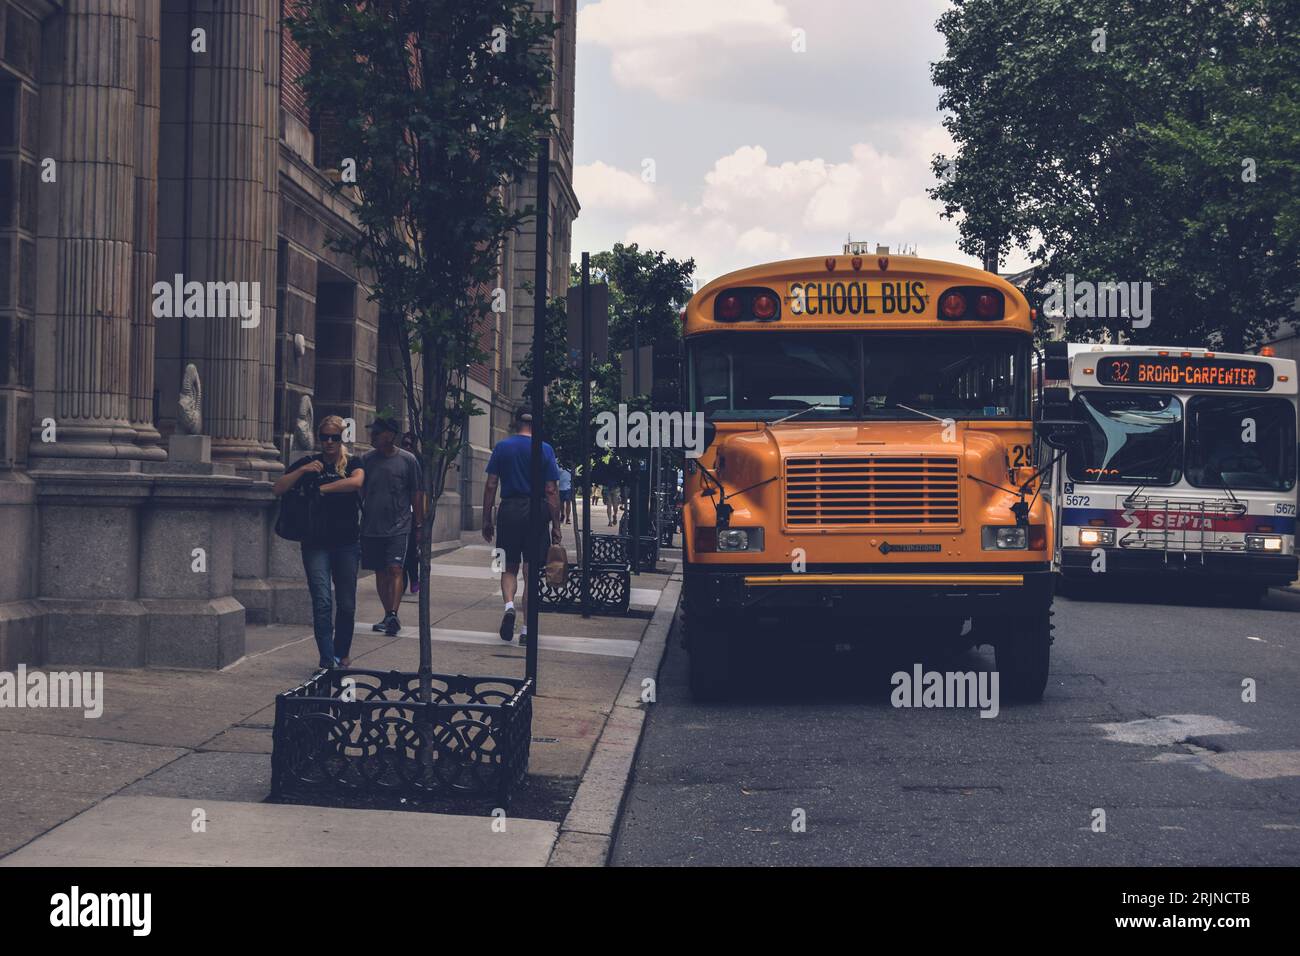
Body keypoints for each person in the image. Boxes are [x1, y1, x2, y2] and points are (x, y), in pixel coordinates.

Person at [272, 415, 365, 669]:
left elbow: (357, 482)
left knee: (346, 604)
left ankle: (341, 653)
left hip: (347, 543)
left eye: (334, 437)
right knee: (322, 601)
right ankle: (327, 659)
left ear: (342, 437)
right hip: (315, 543)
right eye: (324, 437)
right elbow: (278, 488)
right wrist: (302, 471)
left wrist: (324, 488)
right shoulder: (309, 463)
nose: (329, 442)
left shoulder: (353, 462)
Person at [482, 407, 562, 646]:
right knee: (531, 572)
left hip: (509, 510)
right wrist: (556, 525)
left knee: (507, 566)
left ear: (515, 424)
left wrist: (487, 519)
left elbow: (491, 484)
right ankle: (527, 629)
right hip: (536, 511)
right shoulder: (545, 449)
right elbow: (551, 490)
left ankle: (509, 607)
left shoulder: (502, 447)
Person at [360, 418, 425, 637]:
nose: (372, 437)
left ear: (389, 435)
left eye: (376, 433)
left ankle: (394, 613)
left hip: (400, 526)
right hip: (372, 526)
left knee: (396, 569)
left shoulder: (408, 460)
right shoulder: (366, 460)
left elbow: (417, 493)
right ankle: (388, 614)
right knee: (380, 571)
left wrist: (418, 524)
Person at [400, 431, 421, 595]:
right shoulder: (399, 461)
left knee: (412, 549)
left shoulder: (418, 462)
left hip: (414, 513)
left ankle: (414, 578)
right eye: (404, 444)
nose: (407, 447)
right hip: (400, 510)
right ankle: (405, 580)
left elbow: (421, 492)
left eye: (410, 444)